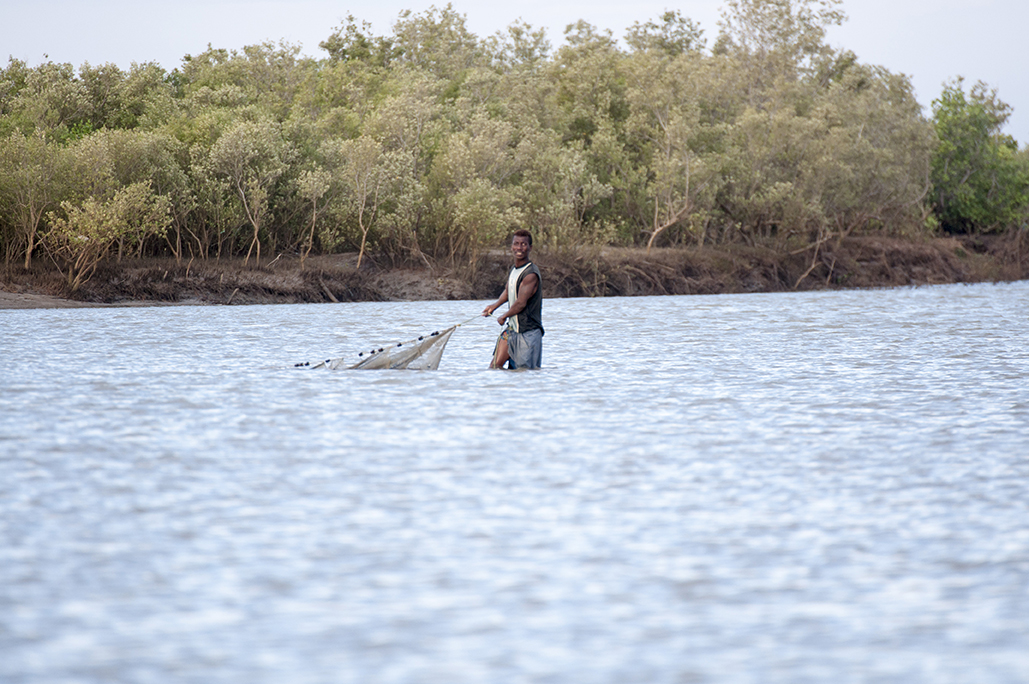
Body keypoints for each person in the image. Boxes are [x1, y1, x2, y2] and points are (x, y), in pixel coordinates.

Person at [482, 229, 544, 369]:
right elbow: (508, 290)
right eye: (516, 244)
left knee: (524, 373)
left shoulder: (530, 274)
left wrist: (504, 315)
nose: (519, 248)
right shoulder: (514, 269)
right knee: (494, 366)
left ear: (530, 248)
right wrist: (494, 306)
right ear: (511, 247)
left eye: (523, 244)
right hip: (512, 330)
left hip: (528, 332)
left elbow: (521, 303)